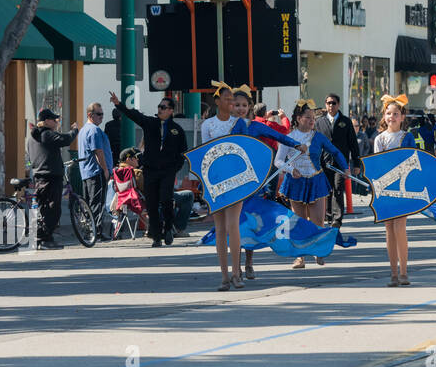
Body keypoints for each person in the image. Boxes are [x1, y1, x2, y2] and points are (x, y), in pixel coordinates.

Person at [200, 83, 307, 290]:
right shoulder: (209, 125)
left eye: (242, 104)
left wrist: (296, 145)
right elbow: (205, 153)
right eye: (234, 103)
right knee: (221, 228)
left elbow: (280, 136)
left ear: (249, 107)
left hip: (240, 180)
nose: (238, 108)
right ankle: (224, 276)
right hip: (217, 181)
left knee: (234, 225)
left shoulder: (250, 126)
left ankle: (237, 272)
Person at [110, 92, 189, 247]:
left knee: (166, 200)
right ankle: (156, 236)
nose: (160, 109)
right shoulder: (150, 123)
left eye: (163, 107)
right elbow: (134, 115)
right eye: (159, 106)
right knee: (152, 203)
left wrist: (175, 168)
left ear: (170, 110)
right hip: (151, 170)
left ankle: (168, 229)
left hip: (167, 171)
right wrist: (119, 104)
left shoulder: (177, 129)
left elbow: (183, 152)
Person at [277, 99, 347, 269]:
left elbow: (335, 152)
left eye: (313, 118)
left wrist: (346, 167)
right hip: (296, 182)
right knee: (299, 221)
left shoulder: (318, 137)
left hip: (316, 180)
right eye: (308, 117)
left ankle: (318, 251)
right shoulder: (288, 138)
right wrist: (289, 170)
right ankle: (300, 257)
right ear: (299, 118)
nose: (312, 121)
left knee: (318, 221)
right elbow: (278, 161)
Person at [374, 94, 418, 286]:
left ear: (402, 117)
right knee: (389, 229)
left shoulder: (407, 137)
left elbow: (413, 160)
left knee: (400, 228)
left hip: (403, 188)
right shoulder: (379, 139)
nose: (392, 117)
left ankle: (404, 271)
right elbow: (377, 163)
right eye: (388, 113)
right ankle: (392, 272)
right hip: (385, 188)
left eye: (396, 113)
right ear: (384, 116)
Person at [25, 110, 78, 249]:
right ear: (47, 121)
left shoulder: (32, 137)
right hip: (51, 176)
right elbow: (65, 140)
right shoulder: (46, 134)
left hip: (39, 175)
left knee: (44, 209)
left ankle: (41, 237)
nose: (56, 122)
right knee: (53, 209)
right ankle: (45, 239)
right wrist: (74, 131)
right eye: (54, 120)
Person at [316, 93, 361, 228]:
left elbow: (353, 143)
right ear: (325, 104)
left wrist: (356, 163)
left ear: (338, 104)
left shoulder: (345, 121)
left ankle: (337, 219)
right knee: (327, 190)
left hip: (340, 163)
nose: (331, 105)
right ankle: (329, 215)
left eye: (333, 103)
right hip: (324, 162)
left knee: (338, 188)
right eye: (328, 103)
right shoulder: (319, 121)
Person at [76, 102, 114, 241]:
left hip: (86, 172)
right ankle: (95, 232)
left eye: (102, 114)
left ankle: (91, 231)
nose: (101, 117)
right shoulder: (94, 130)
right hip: (95, 171)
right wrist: (105, 169)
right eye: (98, 114)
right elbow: (98, 151)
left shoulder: (84, 130)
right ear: (90, 115)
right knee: (97, 203)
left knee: (90, 203)